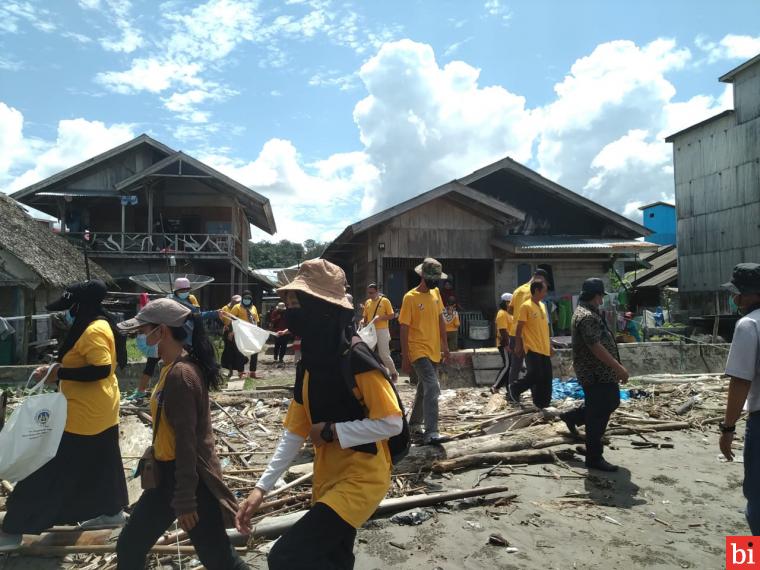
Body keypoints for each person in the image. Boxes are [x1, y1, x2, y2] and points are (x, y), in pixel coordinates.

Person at [235, 259, 402, 569]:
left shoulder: (356, 359)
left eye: (297, 302)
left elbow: (393, 422)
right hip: (329, 480)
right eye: (289, 302)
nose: (290, 310)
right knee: (334, 559)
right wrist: (260, 490)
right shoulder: (310, 363)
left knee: (285, 556)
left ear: (321, 309)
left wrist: (333, 432)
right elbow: (294, 432)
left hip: (361, 480)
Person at [115, 299, 248, 570]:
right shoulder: (172, 367)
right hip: (170, 477)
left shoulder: (181, 375)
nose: (140, 337)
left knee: (220, 559)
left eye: (143, 331)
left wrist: (186, 499)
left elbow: (187, 442)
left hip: (189, 480)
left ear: (161, 331)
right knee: (130, 545)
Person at [0, 279, 129, 551]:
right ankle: (112, 511)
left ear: (80, 307)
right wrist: (54, 371)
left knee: (42, 468)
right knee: (104, 462)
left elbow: (101, 368)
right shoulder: (96, 324)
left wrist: (61, 373)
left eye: (69, 308)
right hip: (101, 409)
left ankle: (13, 530)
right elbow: (85, 364)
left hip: (82, 416)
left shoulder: (93, 330)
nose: (65, 314)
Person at [560, 278, 629, 472]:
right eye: (600, 297)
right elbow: (595, 346)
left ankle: (573, 417)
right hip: (596, 373)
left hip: (599, 373)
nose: (601, 301)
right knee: (599, 413)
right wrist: (617, 367)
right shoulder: (586, 316)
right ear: (595, 296)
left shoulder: (587, 312)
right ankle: (594, 456)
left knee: (606, 404)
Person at [718, 263, 760, 534]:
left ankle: (745, 562)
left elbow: (740, 381)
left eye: (739, 294)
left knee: (755, 500)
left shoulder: (749, 324)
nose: (735, 299)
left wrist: (727, 428)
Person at [400, 258, 449, 445]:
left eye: (437, 279)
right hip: (417, 350)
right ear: (422, 276)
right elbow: (404, 328)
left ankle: (413, 424)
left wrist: (445, 346)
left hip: (434, 349)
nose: (435, 282)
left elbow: (440, 320)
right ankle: (432, 432)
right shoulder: (410, 298)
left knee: (423, 388)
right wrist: (405, 357)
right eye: (431, 278)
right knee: (433, 386)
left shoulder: (436, 293)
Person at [508, 280, 552, 408]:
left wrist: (549, 345)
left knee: (546, 377)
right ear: (537, 291)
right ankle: (515, 388)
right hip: (532, 348)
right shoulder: (525, 306)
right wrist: (518, 344)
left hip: (544, 348)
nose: (545, 293)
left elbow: (545, 328)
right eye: (544, 290)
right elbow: (519, 327)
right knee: (535, 374)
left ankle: (543, 403)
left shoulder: (543, 306)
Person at [507, 269, 549, 387]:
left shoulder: (517, 290)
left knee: (515, 365)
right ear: (540, 279)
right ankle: (533, 392)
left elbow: (510, 310)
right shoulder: (535, 292)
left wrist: (518, 315)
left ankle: (512, 392)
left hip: (514, 332)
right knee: (533, 366)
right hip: (529, 335)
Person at [361, 283, 399, 382]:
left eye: (372, 293)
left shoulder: (385, 301)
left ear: (377, 291)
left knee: (384, 354)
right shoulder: (367, 302)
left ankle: (393, 372)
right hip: (370, 330)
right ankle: (372, 375)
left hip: (382, 330)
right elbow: (365, 316)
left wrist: (381, 318)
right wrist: (362, 321)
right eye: (368, 293)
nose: (370, 295)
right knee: (368, 352)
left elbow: (392, 315)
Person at [221, 291, 260, 379]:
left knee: (255, 351)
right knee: (240, 353)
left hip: (251, 333)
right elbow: (231, 320)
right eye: (246, 298)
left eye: (249, 299)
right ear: (243, 298)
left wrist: (257, 331)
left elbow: (256, 320)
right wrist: (231, 332)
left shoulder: (253, 307)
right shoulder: (236, 307)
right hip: (240, 333)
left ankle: (253, 372)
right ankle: (241, 372)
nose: (247, 300)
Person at [491, 293, 513, 394]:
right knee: (507, 365)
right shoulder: (502, 314)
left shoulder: (508, 314)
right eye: (509, 302)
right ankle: (495, 386)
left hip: (509, 344)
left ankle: (508, 388)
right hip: (504, 344)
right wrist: (507, 345)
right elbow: (503, 330)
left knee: (509, 366)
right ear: (506, 302)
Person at [220, 294, 242, 379]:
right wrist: (224, 326)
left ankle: (240, 371)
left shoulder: (241, 308)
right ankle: (230, 370)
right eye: (237, 302)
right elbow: (221, 319)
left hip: (238, 332)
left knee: (239, 352)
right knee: (229, 352)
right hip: (228, 331)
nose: (238, 303)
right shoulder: (225, 308)